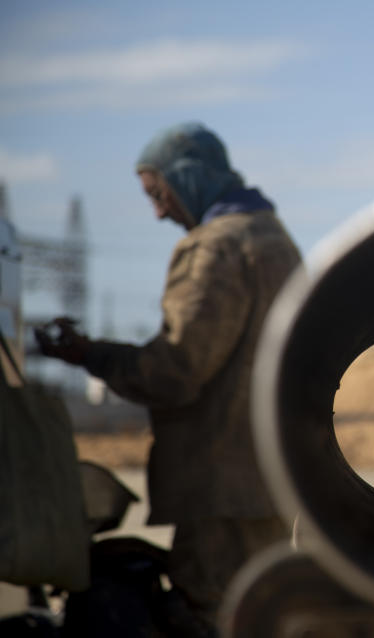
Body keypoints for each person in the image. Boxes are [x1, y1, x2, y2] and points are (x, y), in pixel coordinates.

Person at [36, 122, 302, 635]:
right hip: (270, 480)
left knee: (214, 617)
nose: (158, 212)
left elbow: (174, 371)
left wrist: (89, 354)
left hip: (220, 488)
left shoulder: (215, 248)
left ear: (187, 176)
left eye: (158, 193)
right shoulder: (276, 239)